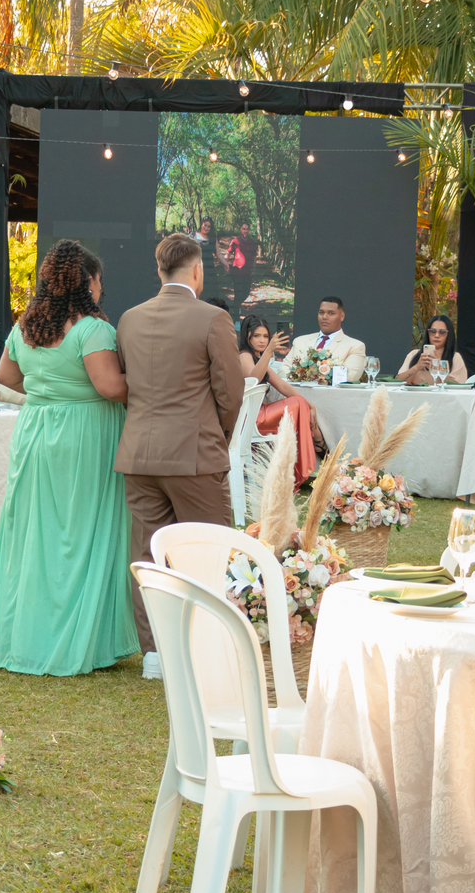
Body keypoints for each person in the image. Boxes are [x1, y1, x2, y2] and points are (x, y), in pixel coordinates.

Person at [0, 241, 138, 677]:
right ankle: (72, 636)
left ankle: (24, 632)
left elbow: (5, 378)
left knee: (33, 531)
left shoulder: (26, 326)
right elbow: (111, 388)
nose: (101, 288)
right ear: (86, 282)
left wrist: (49, 388)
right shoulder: (92, 329)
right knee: (78, 534)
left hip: (36, 430)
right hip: (85, 433)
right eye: (98, 280)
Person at [115, 232, 245, 679]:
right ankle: (208, 647)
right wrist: (219, 436)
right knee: (209, 552)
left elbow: (130, 384)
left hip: (139, 455)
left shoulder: (129, 319)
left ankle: (155, 654)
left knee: (149, 558)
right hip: (194, 455)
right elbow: (230, 392)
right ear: (197, 270)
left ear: (158, 270)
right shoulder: (212, 318)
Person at [238, 315, 322, 486]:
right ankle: (316, 450)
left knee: (299, 402)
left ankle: (309, 457)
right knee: (298, 404)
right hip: (249, 416)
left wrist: (309, 404)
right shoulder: (244, 355)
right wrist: (269, 351)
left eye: (265, 336)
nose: (262, 340)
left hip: (259, 413)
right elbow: (253, 379)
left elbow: (282, 385)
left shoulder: (257, 356)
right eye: (256, 336)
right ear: (247, 336)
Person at [283, 296, 367, 383]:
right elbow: (282, 370)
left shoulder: (355, 346)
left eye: (331, 313)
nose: (325, 317)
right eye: (321, 312)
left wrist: (309, 376)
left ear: (341, 316)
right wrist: (302, 376)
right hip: (297, 394)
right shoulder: (300, 341)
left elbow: (349, 377)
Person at [399, 314, 467, 385]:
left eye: (442, 332)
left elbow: (459, 386)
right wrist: (417, 366)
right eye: (433, 331)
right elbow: (399, 382)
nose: (437, 335)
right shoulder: (413, 354)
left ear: (449, 335)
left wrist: (438, 368)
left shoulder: (455, 357)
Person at [229, 222, 259, 310]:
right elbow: (228, 253)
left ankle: (234, 306)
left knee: (245, 294)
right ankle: (235, 314)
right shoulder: (235, 241)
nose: (245, 231)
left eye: (247, 229)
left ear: (249, 230)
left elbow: (254, 257)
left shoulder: (252, 242)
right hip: (237, 271)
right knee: (238, 293)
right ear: (241, 230)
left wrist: (253, 268)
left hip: (248, 272)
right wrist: (225, 264)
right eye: (244, 229)